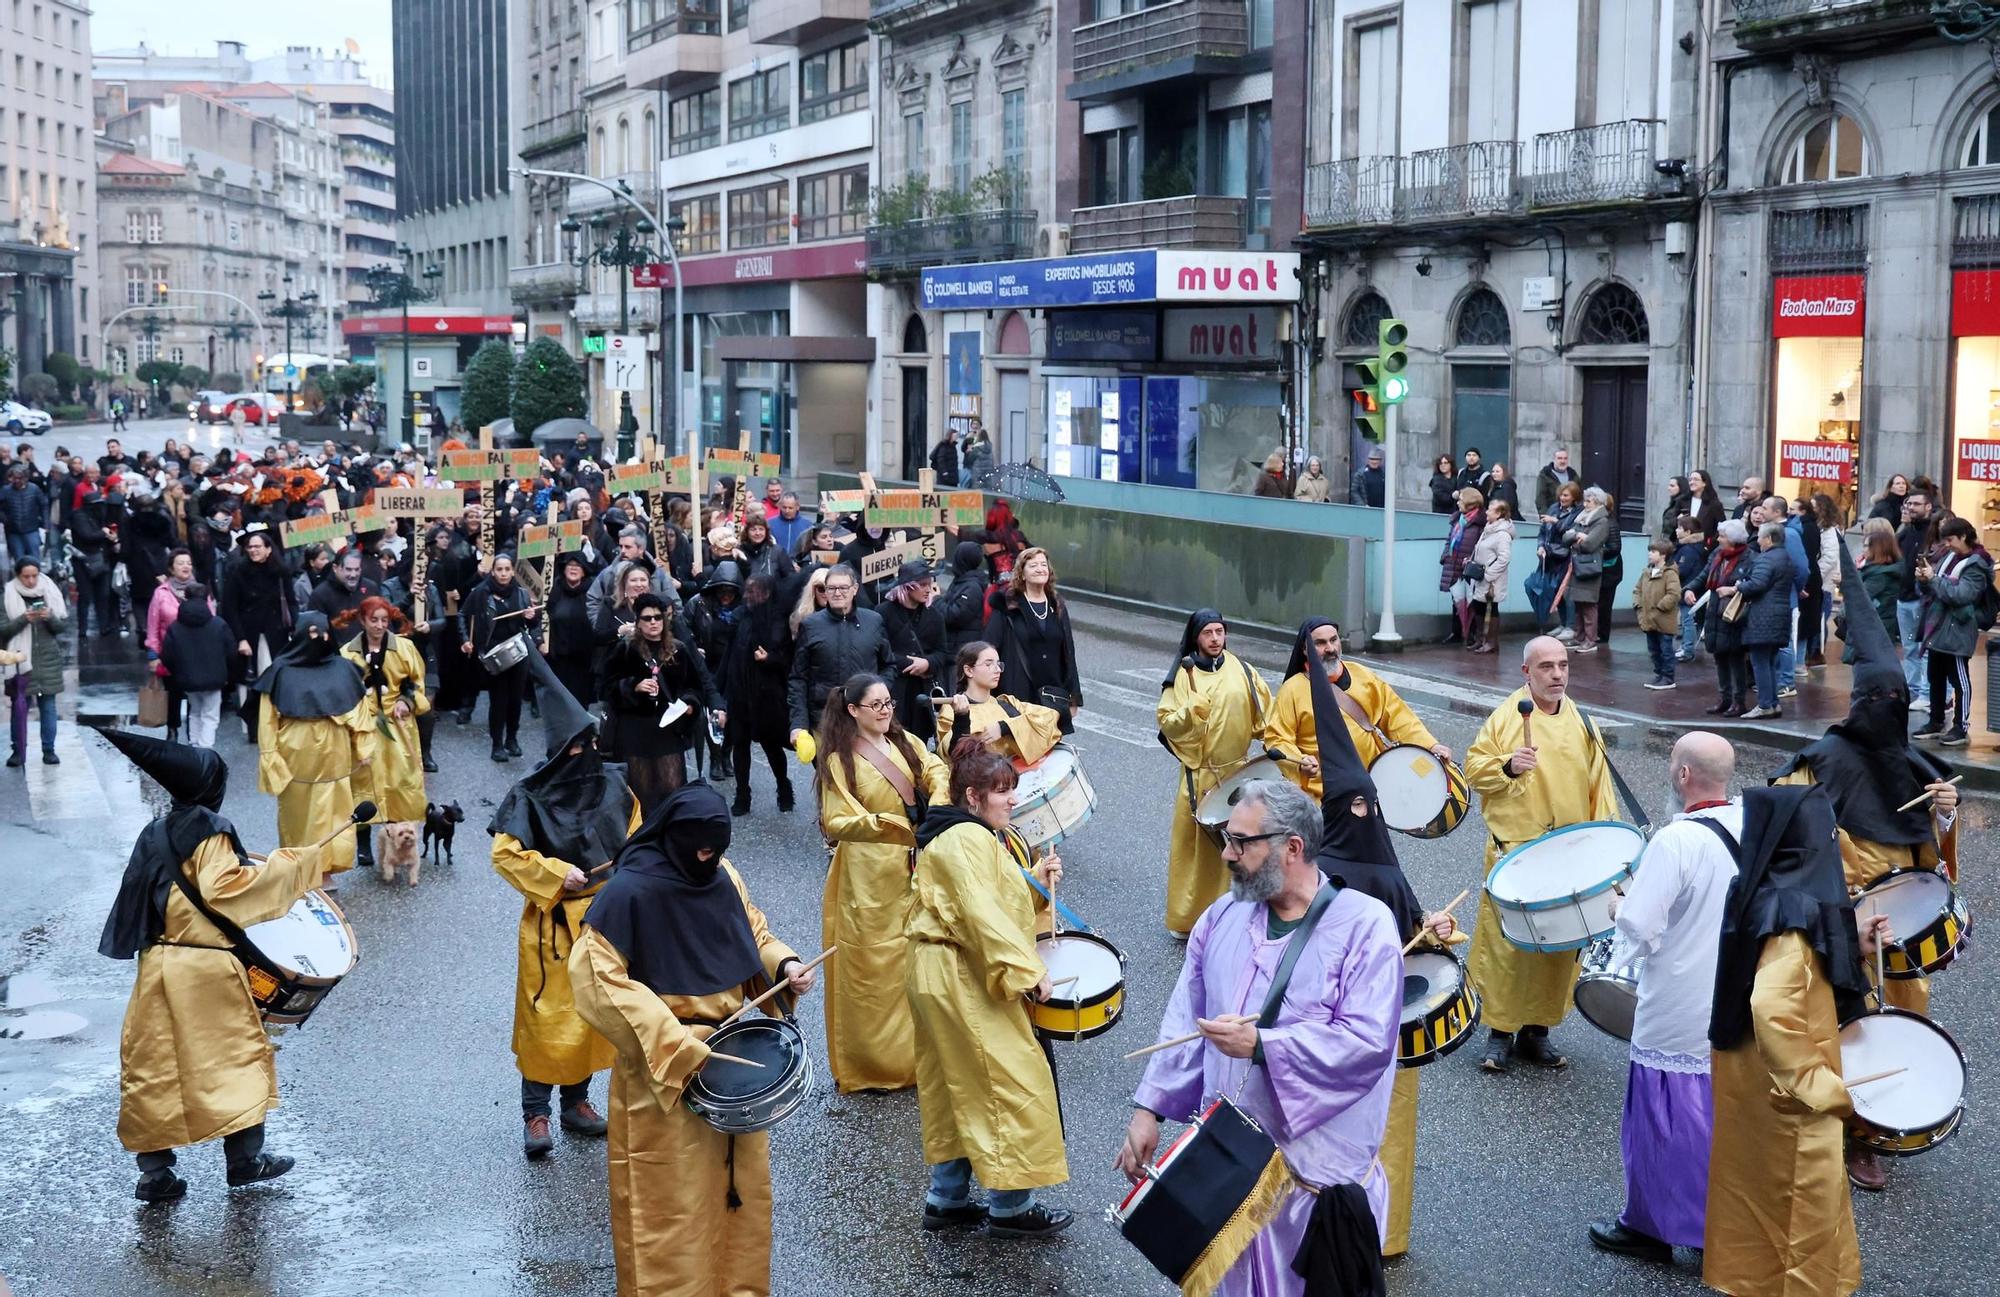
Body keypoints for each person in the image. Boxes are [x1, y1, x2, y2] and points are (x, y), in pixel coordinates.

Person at [1117, 779, 1401, 1293]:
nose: (1226, 854)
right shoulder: (1221, 917)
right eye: (1227, 838)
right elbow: (1186, 1019)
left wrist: (1265, 1046)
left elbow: (1366, 1044)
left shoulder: (1366, 926)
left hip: (1312, 1186)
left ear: (1292, 848)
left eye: (1241, 842)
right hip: (1230, 1172)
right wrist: (1147, 1110)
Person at [566, 783, 817, 1296]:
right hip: (665, 1076)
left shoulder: (722, 874)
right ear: (675, 838)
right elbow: (601, 986)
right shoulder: (626, 894)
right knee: (670, 1218)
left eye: (718, 849)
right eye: (701, 849)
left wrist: (785, 964)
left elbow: (753, 931)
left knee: (741, 1204)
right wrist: (680, 1050)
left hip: (733, 1067)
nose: (710, 859)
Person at [1771, 539, 1958, 1193]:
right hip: (1842, 925)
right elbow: (1784, 841)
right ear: (1862, 704)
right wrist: (1842, 900)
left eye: (1898, 706)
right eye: (1882, 704)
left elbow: (1930, 861)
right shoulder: (1821, 758)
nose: (1890, 717)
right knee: (1844, 1028)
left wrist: (1943, 814)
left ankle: (1884, 1121)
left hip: (1900, 938)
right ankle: (1853, 1135)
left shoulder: (1912, 765)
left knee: (1899, 1026)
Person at [96, 731, 335, 1201]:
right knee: (235, 1059)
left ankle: (155, 1174)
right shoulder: (209, 828)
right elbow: (227, 891)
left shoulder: (155, 832)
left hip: (157, 964)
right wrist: (295, 865)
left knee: (154, 1067)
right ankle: (245, 1162)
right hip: (205, 969)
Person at [1298, 639, 1457, 1259]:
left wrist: (1438, 928)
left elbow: (1413, 924)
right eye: (1352, 805)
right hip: (1328, 1027)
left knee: (1387, 1129)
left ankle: (1383, 1237)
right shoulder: (1316, 871)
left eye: (1371, 804)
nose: (1365, 813)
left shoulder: (1385, 868)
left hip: (1387, 1025)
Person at [1703, 782, 1888, 1297]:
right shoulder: (1789, 923)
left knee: (1756, 1199)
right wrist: (1827, 1090)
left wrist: (1856, 943)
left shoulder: (1764, 893)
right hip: (1789, 1099)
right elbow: (1772, 1007)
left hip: (1754, 1086)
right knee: (1799, 1217)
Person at [907, 738, 1073, 1237]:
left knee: (955, 1080)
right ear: (973, 797)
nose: (1012, 800)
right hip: (959, 970)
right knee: (1006, 1078)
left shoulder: (965, 835)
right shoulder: (967, 839)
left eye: (1012, 790)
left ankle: (948, 1198)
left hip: (942, 967)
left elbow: (979, 898)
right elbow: (980, 913)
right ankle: (1010, 1207)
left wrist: (1032, 879)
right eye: (1002, 792)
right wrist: (1027, 971)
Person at [1587, 732, 1739, 1262]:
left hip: (1678, 995)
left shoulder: (1676, 840)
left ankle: (1651, 1227)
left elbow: (1638, 923)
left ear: (1682, 776)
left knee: (1664, 1118)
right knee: (1722, 1112)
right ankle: (1719, 1224)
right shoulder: (1750, 823)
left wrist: (1616, 909)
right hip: (1737, 993)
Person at [489, 656, 640, 1160]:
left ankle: (578, 1103)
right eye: (575, 746)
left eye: (589, 743)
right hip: (553, 923)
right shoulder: (528, 797)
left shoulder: (614, 786)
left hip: (603, 919)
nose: (584, 753)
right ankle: (536, 1112)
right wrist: (555, 873)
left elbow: (636, 840)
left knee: (594, 1015)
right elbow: (504, 854)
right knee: (547, 1019)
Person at [1464, 636, 1620, 1072]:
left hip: (1566, 853)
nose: (1557, 675)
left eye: (1563, 666)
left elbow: (1600, 789)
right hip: (1516, 850)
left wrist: (1603, 850)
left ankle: (1537, 1031)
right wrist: (1509, 766)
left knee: (1555, 945)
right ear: (1526, 673)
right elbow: (1475, 769)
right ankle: (1498, 1033)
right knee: (1508, 947)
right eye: (1547, 667)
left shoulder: (1583, 722)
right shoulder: (1507, 718)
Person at [814, 672, 949, 1092]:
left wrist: (939, 801)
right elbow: (835, 820)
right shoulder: (840, 760)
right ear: (853, 710)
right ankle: (874, 1065)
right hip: (868, 876)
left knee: (917, 958)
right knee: (873, 969)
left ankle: (919, 1057)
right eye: (876, 705)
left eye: (889, 702)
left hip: (915, 864)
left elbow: (937, 769)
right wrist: (887, 826)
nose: (886, 710)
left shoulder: (905, 740)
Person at [1157, 609, 1273, 936]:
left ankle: (1238, 917)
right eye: (1208, 632)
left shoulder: (1242, 671)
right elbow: (1167, 722)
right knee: (1199, 852)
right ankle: (1190, 918)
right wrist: (1189, 713)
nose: (1215, 638)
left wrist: (1278, 747)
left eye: (1219, 631)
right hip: (1201, 774)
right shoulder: (1184, 675)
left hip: (1238, 772)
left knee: (1244, 845)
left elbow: (1265, 716)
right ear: (1196, 637)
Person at [1264, 618, 1445, 804]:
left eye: (1333, 640)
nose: (1330, 648)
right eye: (1320, 643)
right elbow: (1277, 739)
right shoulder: (1292, 690)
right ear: (1304, 650)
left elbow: (1398, 717)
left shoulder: (1363, 675)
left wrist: (1429, 746)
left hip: (1370, 787)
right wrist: (1299, 762)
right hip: (1321, 797)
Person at [255, 613, 371, 885]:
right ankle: (301, 871)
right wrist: (270, 758)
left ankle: (325, 872)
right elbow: (267, 720)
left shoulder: (343, 669)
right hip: (297, 761)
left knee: (335, 817)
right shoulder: (281, 672)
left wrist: (363, 747)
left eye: (324, 633)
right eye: (312, 634)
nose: (319, 640)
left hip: (335, 760)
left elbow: (359, 711)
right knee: (299, 819)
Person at [604, 592, 721, 814]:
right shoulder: (626, 649)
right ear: (638, 622)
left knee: (672, 791)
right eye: (647, 618)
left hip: (668, 729)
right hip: (634, 730)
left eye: (658, 617)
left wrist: (689, 704)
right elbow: (605, 687)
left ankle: (672, 843)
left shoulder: (679, 648)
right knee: (642, 795)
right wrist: (633, 686)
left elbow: (694, 687)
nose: (653, 622)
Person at [338, 596, 430, 875]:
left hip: (398, 725)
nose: (379, 626)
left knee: (401, 779)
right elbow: (343, 690)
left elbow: (416, 682)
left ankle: (402, 839)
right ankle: (364, 843)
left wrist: (407, 701)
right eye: (373, 620)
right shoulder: (348, 654)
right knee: (364, 783)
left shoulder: (404, 647)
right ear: (363, 621)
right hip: (364, 725)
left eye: (384, 621)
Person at [787, 564, 894, 745]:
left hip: (867, 717)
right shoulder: (811, 625)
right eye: (831, 588)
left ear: (855, 589)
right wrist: (798, 724)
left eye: (843, 588)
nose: (837, 593)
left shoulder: (874, 621)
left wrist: (878, 697)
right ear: (825, 592)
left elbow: (889, 665)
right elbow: (798, 678)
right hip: (824, 719)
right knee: (831, 772)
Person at [981, 547, 1082, 733]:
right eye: (1033, 565)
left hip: (1051, 694)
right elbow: (990, 647)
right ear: (1022, 573)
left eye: (1044, 565)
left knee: (1048, 751)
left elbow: (1068, 652)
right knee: (1018, 750)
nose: (1040, 569)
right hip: (1017, 690)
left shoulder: (1056, 603)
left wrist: (1073, 697)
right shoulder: (1008, 604)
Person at [1913, 516, 1991, 745]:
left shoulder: (1977, 564)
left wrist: (1934, 580)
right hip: (1939, 627)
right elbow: (1936, 588)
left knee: (1959, 680)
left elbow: (1961, 595)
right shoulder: (1949, 557)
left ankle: (1960, 726)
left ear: (1964, 537)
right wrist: (1924, 580)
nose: (1946, 543)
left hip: (1959, 630)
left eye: (1950, 539)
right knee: (1935, 676)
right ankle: (1935, 721)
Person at [725, 572, 796, 816]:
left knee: (771, 745)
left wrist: (770, 659)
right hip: (740, 693)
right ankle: (742, 794)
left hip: (766, 696)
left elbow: (789, 658)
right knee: (740, 744)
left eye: (752, 591)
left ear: (766, 593)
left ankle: (783, 786)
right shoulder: (741, 617)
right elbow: (729, 653)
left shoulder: (779, 620)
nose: (746, 595)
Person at [219, 527, 296, 743]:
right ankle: (253, 727)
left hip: (276, 634)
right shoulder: (237, 571)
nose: (253, 550)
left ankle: (277, 723)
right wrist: (240, 638)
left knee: (276, 679)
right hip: (249, 635)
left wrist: (293, 628)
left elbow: (291, 602)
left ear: (269, 549)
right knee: (250, 681)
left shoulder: (281, 572)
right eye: (250, 547)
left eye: (257, 546)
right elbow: (229, 608)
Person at [463, 554, 538, 763]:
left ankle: (512, 739)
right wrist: (465, 640)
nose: (504, 573)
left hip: (518, 652)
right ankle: (497, 744)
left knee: (515, 700)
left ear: (513, 571)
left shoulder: (522, 594)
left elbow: (532, 625)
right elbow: (463, 615)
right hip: (494, 652)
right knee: (498, 700)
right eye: (499, 569)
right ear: (493, 571)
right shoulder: (481, 593)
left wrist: (532, 617)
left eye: (507, 569)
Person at [937, 640, 1063, 763]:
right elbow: (952, 753)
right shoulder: (951, 710)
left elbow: (1051, 718)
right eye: (988, 664)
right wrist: (961, 717)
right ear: (969, 670)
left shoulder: (1007, 703)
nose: (997, 669)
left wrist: (1005, 727)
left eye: (998, 664)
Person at [1725, 520, 1795, 720]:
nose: (1759, 541)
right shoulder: (1785, 557)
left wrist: (1738, 586)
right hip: (1779, 615)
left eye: (1761, 538)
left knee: (1760, 662)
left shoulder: (1766, 559)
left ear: (1770, 539)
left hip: (1763, 617)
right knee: (1770, 661)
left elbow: (1757, 584)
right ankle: (1772, 703)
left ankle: (1765, 704)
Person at [2, 557, 67, 767]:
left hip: (48, 660)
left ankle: (49, 750)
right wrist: (23, 619)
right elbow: (3, 631)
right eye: (26, 576)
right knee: (19, 707)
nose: (31, 581)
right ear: (18, 575)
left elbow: (60, 628)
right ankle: (18, 750)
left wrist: (49, 617)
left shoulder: (49, 591)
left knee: (48, 706)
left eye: (34, 576)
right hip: (20, 660)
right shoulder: (8, 595)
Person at [158, 584, 233, 748]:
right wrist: (228, 675)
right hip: (214, 679)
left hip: (187, 679)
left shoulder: (175, 627)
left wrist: (178, 672)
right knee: (210, 715)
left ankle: (194, 745)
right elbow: (231, 653)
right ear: (207, 598)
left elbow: (167, 655)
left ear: (185, 597)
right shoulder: (218, 625)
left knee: (195, 711)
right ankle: (205, 748)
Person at [878, 559, 946, 735]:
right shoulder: (882, 613)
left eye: (929, 584)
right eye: (922, 584)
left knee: (921, 739)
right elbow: (878, 650)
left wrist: (927, 663)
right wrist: (909, 663)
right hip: (893, 688)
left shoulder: (935, 615)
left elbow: (944, 653)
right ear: (908, 586)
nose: (928, 589)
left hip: (922, 690)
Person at [1895, 490, 1939, 710]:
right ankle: (1911, 690)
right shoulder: (1909, 530)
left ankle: (1926, 693)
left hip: (1922, 598)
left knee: (1924, 648)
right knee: (1909, 647)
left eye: (1916, 504)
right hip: (1904, 596)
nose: (1910, 507)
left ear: (1928, 506)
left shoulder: (1932, 532)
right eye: (1908, 503)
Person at [544, 552, 598, 710]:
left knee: (580, 701)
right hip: (559, 656)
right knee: (561, 700)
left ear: (584, 570)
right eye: (570, 565)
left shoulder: (592, 591)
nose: (573, 569)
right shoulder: (555, 589)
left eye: (577, 566)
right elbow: (545, 616)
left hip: (584, 658)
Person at [1564, 486, 1613, 653]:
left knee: (1589, 605)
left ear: (1598, 502)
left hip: (1589, 566)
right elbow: (1566, 537)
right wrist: (1577, 536)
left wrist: (1576, 537)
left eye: (1589, 501)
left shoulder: (1601, 521)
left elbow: (1590, 544)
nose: (1585, 504)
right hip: (1578, 565)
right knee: (1578, 604)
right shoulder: (1581, 518)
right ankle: (1579, 637)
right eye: (1585, 500)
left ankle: (1590, 640)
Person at [1847, 519, 1902, 667]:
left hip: (1874, 623)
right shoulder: (1874, 567)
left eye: (1866, 544)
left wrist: (1846, 582)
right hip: (1877, 622)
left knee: (1870, 666)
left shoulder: (1879, 573)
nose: (1863, 548)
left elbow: (1861, 596)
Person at [1531, 480, 1583, 636]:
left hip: (1566, 558)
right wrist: (1540, 546)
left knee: (1565, 592)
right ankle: (1562, 622)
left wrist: (1557, 522)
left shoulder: (1578, 512)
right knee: (1554, 591)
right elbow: (1542, 532)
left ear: (1574, 497)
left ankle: (1570, 626)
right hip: (1549, 557)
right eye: (1561, 494)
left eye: (1566, 495)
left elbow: (1571, 533)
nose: (1562, 498)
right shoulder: (1553, 508)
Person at [1438, 487, 1487, 645]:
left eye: (1461, 500)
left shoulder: (1481, 523)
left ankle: (1472, 634)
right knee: (1456, 600)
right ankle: (1456, 632)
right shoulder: (1457, 519)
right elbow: (1449, 540)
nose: (1458, 502)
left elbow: (1481, 546)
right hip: (1453, 565)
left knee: (1472, 602)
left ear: (1471, 503)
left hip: (1469, 569)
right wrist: (1445, 556)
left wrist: (1472, 560)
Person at [1634, 537, 1683, 690]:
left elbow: (1674, 594)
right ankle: (1659, 674)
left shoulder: (1670, 573)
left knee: (1666, 650)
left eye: (1653, 551)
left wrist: (1660, 607)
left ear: (1663, 555)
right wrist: (1638, 605)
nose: (1650, 554)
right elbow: (1637, 589)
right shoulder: (1647, 572)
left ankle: (1668, 677)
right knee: (1654, 650)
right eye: (1650, 551)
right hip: (1648, 619)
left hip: (1663, 620)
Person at [1467, 500, 1514, 653]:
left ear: (1499, 513)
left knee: (1491, 607)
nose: (1486, 512)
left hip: (1492, 580)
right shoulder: (1489, 529)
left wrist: (1489, 574)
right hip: (1482, 577)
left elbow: (1504, 558)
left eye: (1490, 510)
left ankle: (1491, 642)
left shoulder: (1502, 534)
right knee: (1478, 606)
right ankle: (1480, 639)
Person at [940, 540, 991, 655]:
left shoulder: (972, 588)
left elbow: (955, 616)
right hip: (954, 647)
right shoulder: (961, 581)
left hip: (960, 652)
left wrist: (936, 599)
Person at [1671, 516, 1707, 662]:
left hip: (1688, 589)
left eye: (1680, 528)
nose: (1676, 530)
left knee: (1688, 620)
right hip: (1692, 588)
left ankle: (1687, 649)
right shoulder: (1695, 547)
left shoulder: (1688, 550)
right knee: (1690, 619)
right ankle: (1686, 646)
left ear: (1688, 531)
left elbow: (1682, 569)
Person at [0, 464, 47, 567]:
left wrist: (45, 523)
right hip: (14, 531)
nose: (16, 481)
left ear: (25, 478)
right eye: (14, 478)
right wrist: (5, 519)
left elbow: (43, 505)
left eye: (19, 478)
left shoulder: (34, 489)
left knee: (35, 558)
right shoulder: (6, 490)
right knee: (19, 559)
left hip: (31, 529)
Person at [1535, 447, 1580, 516]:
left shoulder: (1573, 474)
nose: (1562, 461)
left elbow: (1579, 495)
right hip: (1552, 514)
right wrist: (1544, 515)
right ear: (1554, 459)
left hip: (1571, 515)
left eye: (1565, 458)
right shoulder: (1545, 474)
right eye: (1559, 458)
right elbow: (1540, 497)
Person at [1684, 469, 1725, 542]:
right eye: (1690, 480)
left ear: (1704, 483)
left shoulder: (1714, 504)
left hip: (1703, 545)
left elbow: (1721, 527)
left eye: (1696, 479)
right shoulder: (1682, 501)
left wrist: (1710, 544)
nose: (1691, 482)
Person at [1660, 476, 1692, 542]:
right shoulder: (1674, 502)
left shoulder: (1683, 503)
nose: (1669, 488)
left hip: (1675, 540)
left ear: (1681, 487)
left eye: (1672, 486)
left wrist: (1677, 520)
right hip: (1668, 539)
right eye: (1669, 485)